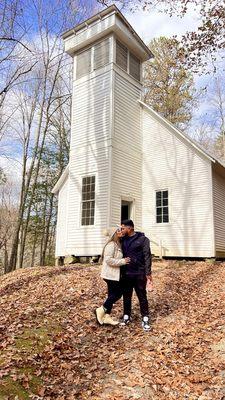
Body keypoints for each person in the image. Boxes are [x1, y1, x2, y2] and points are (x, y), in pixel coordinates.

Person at [120, 219, 152, 331]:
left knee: (142, 296)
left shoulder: (143, 239)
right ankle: (126, 316)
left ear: (130, 228)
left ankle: (145, 318)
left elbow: (147, 256)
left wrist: (148, 273)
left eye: (123, 228)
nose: (121, 230)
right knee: (127, 296)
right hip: (126, 273)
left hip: (139, 273)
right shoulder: (122, 239)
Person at [95, 228, 130, 326]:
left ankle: (107, 317)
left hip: (114, 274)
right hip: (110, 274)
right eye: (118, 231)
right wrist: (123, 261)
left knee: (111, 295)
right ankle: (101, 309)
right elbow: (108, 260)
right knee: (118, 293)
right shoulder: (110, 245)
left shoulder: (118, 243)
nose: (120, 232)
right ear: (114, 234)